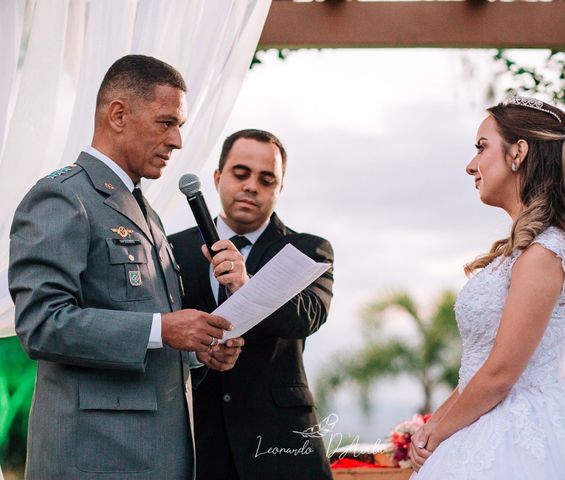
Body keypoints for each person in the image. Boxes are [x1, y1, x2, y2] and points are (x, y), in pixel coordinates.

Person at [9, 55, 243, 479]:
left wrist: (197, 351)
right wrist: (164, 328)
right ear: (118, 114)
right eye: (166, 122)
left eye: (180, 126)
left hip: (158, 459)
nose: (177, 141)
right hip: (96, 462)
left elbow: (150, 333)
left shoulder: (144, 211)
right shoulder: (63, 197)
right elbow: (41, 323)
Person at [409, 96, 565, 479]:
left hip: (530, 435)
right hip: (485, 417)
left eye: (482, 148)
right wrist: (431, 428)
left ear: (518, 152)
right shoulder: (520, 254)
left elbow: (501, 374)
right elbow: (479, 371)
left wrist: (439, 435)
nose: (471, 165)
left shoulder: (545, 253)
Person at [169, 129, 334, 480]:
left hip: (280, 441)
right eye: (241, 174)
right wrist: (196, 356)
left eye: (266, 179)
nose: (251, 186)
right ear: (217, 178)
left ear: (280, 189)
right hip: (199, 442)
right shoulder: (171, 250)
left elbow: (308, 316)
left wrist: (247, 286)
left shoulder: (307, 250)